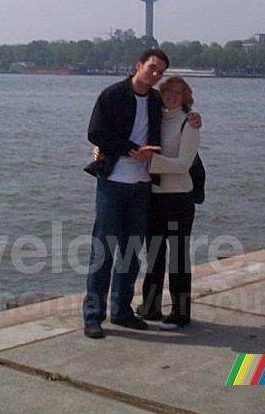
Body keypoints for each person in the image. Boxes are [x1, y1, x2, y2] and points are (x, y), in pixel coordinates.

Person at [82, 49, 169, 339]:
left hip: (142, 185)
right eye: (152, 68)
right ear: (139, 65)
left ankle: (122, 311)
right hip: (113, 182)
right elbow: (96, 133)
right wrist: (130, 149)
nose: (155, 75)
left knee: (130, 253)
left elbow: (175, 116)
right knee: (102, 251)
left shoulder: (156, 100)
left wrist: (194, 118)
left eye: (160, 72)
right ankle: (94, 315)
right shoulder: (112, 95)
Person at [129, 76, 200, 330]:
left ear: (185, 97)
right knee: (155, 255)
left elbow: (184, 164)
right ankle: (151, 306)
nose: (172, 96)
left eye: (178, 93)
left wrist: (151, 161)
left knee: (179, 257)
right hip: (154, 197)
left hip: (179, 199)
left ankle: (181, 312)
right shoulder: (154, 117)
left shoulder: (189, 124)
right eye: (168, 90)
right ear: (161, 92)